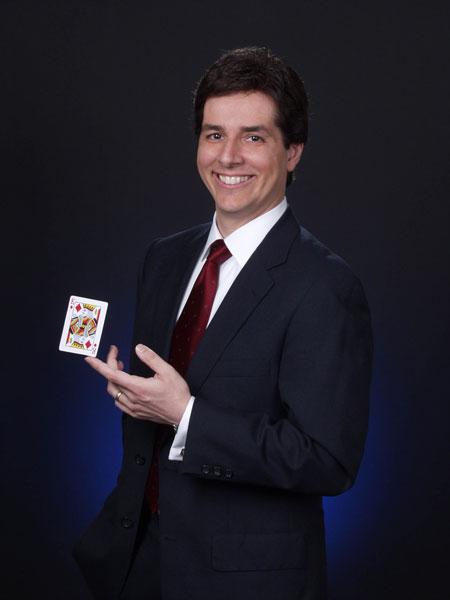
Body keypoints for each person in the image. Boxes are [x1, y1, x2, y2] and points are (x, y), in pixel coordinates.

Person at [73, 46, 372, 600]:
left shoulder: (326, 285)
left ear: (293, 152)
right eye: (214, 134)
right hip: (134, 562)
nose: (228, 156)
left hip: (243, 582)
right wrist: (136, 395)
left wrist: (184, 415)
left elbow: (327, 461)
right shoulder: (164, 258)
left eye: (253, 137)